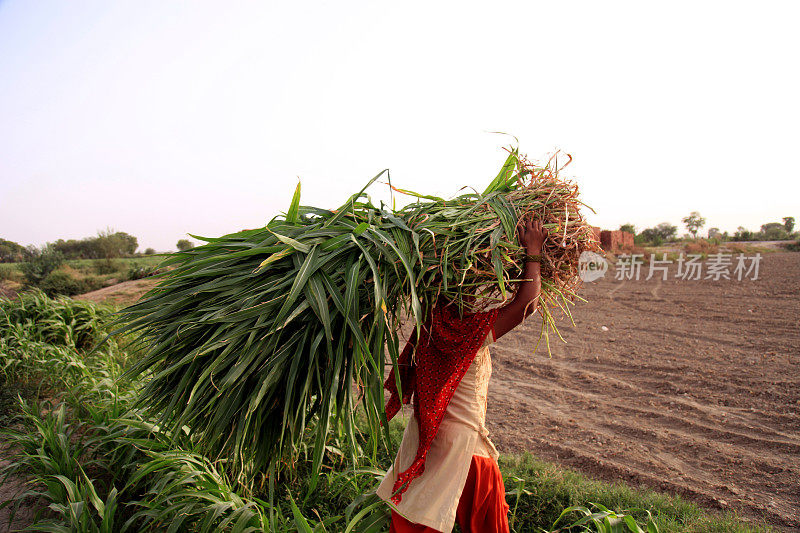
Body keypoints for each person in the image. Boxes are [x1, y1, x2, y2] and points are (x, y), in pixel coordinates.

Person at [376, 216, 549, 533]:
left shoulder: (429, 321)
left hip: (425, 440)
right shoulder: (465, 332)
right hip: (466, 453)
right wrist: (533, 252)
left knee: (414, 515)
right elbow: (527, 305)